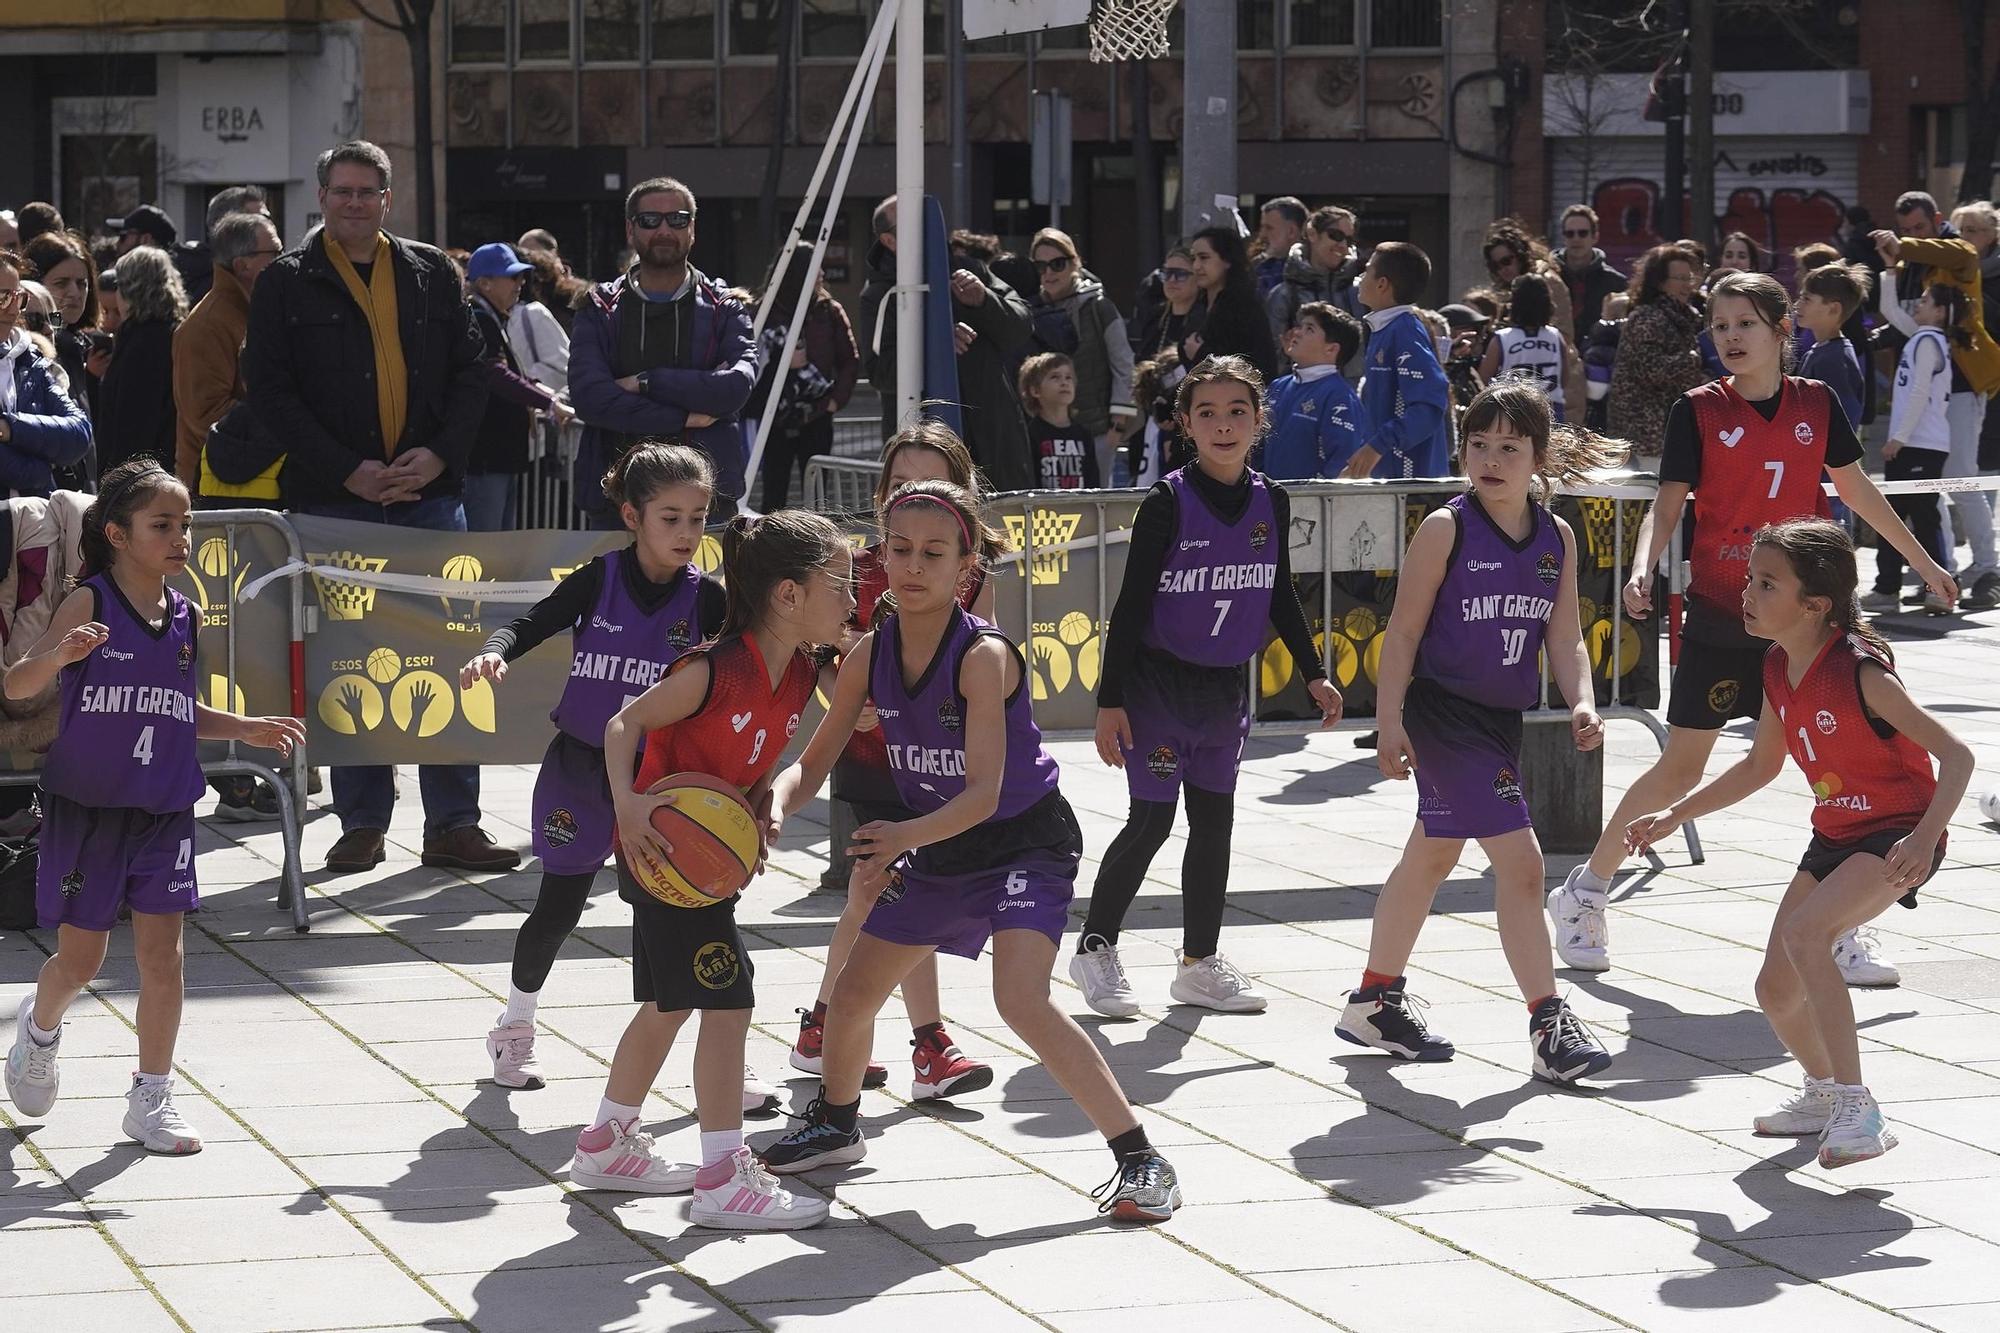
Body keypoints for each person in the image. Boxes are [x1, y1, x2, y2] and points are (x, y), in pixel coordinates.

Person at [758, 479, 1184, 1223]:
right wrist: (772, 798)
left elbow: (984, 793)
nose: (913, 565)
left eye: (933, 552)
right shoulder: (867, 653)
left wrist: (900, 837)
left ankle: (1140, 1157)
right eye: (899, 549)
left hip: (1024, 841)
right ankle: (836, 1120)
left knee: (1019, 998)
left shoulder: (982, 655)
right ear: (878, 558)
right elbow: (813, 760)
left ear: (966, 569)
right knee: (853, 995)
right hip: (941, 845)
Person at [1547, 271, 1958, 984]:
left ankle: (1839, 922)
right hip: (1723, 609)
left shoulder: (1816, 403)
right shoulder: (1698, 410)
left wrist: (1923, 561)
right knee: (1683, 766)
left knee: (1828, 763)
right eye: (1719, 325)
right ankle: (1586, 886)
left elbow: (1857, 490)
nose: (1730, 336)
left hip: (1805, 620)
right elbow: (1667, 505)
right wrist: (1645, 567)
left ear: (1780, 331)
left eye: (1745, 323)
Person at [1627, 519, 1971, 1167]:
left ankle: (1857, 1106)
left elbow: (1956, 756)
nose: (1747, 594)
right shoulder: (1779, 666)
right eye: (1750, 579)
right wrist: (1676, 813)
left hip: (1898, 833)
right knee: (1775, 989)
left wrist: (1925, 840)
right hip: (1836, 835)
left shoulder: (1862, 672)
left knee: (1808, 935)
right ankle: (1820, 1093)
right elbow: (1760, 766)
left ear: (1815, 605)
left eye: (1766, 583)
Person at [1, 460, 305, 1153]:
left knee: (163, 958)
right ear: (116, 533)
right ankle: (40, 1030)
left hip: (164, 804)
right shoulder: (90, 603)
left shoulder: (188, 615)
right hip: (90, 805)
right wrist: (60, 656)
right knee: (79, 961)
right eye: (162, 525)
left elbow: (174, 710)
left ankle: (152, 1096)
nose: (180, 537)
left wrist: (244, 727)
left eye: (186, 524)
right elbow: (19, 684)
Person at [568, 511, 850, 1230]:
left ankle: (606, 1141)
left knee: (671, 1001)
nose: (852, 598)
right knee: (729, 1001)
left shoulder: (796, 673)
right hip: (665, 853)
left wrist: (760, 803)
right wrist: (628, 804)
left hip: (687, 861)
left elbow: (750, 761)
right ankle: (723, 1176)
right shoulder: (713, 668)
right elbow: (622, 723)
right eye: (839, 583)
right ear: (787, 594)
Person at [243, 139, 515, 875]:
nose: (355, 202)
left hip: (431, 497)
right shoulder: (285, 283)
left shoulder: (431, 272)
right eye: (342, 191)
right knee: (350, 658)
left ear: (388, 200)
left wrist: (437, 458)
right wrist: (347, 469)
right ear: (321, 198)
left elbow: (472, 375)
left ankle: (454, 822)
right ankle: (362, 821)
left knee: (452, 656)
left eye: (368, 191)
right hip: (336, 501)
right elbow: (269, 394)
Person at [1336, 380, 1618, 1084]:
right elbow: (1400, 632)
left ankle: (1373, 998)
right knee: (1523, 865)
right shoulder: (1446, 527)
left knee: (1431, 858)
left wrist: (1582, 699)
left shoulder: (1555, 535)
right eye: (1479, 444)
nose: (1491, 458)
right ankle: (1548, 1020)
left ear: (1539, 457)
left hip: (1499, 719)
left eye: (1509, 447)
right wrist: (1390, 719)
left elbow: (1566, 636)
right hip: (1442, 713)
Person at [1070, 355, 1341, 1016]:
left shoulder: (1269, 499)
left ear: (1258, 420)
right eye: (1209, 413)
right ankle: (1095, 948)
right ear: (1187, 423)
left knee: (1214, 822)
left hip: (1223, 688)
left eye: (1238, 411)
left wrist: (1314, 670)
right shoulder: (1167, 502)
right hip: (1157, 684)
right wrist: (1110, 701)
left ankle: (1198, 962)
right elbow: (1130, 606)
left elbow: (1279, 593)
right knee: (1152, 820)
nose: (1224, 424)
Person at [465, 443, 725, 1089]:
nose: (688, 532)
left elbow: (751, 663)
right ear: (633, 515)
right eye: (671, 517)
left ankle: (716, 1061)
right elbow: (528, 623)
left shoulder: (710, 601)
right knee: (559, 907)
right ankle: (514, 1028)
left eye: (698, 517)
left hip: (661, 777)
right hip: (581, 769)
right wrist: (493, 653)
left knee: (675, 915)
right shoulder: (597, 578)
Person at [792, 425, 995, 1100]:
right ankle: (929, 1042)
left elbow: (982, 653)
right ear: (880, 495)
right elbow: (820, 649)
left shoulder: (974, 567)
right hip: (869, 757)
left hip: (934, 762)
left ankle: (823, 1025)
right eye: (899, 483)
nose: (913, 494)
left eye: (930, 482)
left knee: (881, 895)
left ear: (961, 496)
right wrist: (845, 696)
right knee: (892, 891)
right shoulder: (854, 562)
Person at [569, 177, 758, 514]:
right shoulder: (597, 307)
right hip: (618, 499)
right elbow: (590, 398)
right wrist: (684, 415)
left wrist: (646, 383)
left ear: (693, 228)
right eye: (649, 221)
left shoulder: (726, 306)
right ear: (631, 230)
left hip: (705, 501)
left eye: (678, 219)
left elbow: (734, 387)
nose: (664, 230)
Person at [859, 196, 1037, 491]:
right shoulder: (879, 295)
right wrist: (936, 346)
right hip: (926, 448)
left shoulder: (970, 270)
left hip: (995, 438)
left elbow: (1022, 326)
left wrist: (984, 301)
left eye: (926, 221)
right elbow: (880, 373)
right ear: (889, 240)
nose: (926, 230)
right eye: (912, 224)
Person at [1873, 219, 2000, 607]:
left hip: (1965, 392)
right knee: (1932, 488)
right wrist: (1892, 268)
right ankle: (1942, 570)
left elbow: (1959, 251)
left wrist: (1902, 245)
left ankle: (1986, 566)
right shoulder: (1928, 283)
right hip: (1937, 410)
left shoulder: (1960, 258)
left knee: (1961, 477)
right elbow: (1893, 312)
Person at [1864, 284, 1965, 616]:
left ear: (1939, 311)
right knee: (1897, 516)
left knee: (1922, 517)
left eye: (1925, 301)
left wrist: (1899, 438)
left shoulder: (1926, 341)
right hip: (1918, 443)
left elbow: (1920, 391)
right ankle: (1889, 587)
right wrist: (1890, 272)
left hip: (1920, 444)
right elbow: (1892, 310)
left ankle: (1936, 591)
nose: (1918, 304)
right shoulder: (1923, 337)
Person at [463, 242, 572, 531]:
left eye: (522, 276)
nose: (520, 284)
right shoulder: (479, 317)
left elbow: (505, 373)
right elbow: (494, 374)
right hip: (486, 459)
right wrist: (548, 403)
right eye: (512, 277)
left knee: (500, 547)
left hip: (499, 459)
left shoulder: (492, 317)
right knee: (485, 551)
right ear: (484, 283)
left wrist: (540, 393)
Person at [175, 210, 283, 496]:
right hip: (215, 490)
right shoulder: (206, 324)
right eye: (275, 252)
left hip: (254, 482)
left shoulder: (258, 311)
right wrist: (286, 419)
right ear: (243, 265)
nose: (284, 260)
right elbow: (204, 416)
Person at [749, 247, 858, 509]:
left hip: (818, 413)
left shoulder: (828, 311)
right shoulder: (764, 312)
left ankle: (818, 545)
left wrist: (835, 401)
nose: (822, 273)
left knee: (820, 493)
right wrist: (781, 364)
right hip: (776, 415)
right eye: (815, 267)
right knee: (774, 492)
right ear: (798, 273)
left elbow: (850, 360)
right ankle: (771, 545)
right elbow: (751, 362)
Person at [1025, 228, 1135, 487]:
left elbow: (1124, 363)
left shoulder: (1098, 306)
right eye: (1040, 266)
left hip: (1096, 427)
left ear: (1075, 263)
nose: (1049, 273)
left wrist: (1117, 427)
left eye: (1057, 264)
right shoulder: (1030, 308)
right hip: (1046, 430)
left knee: (1094, 506)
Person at [1348, 241, 1451, 479]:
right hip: (1390, 481)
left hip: (1411, 484)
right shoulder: (1386, 329)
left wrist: (1378, 445)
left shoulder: (1404, 330)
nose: (1360, 278)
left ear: (1382, 284)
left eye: (1367, 271)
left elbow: (1429, 404)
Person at [0, 250, 93, 496]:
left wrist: (10, 428)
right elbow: (24, 471)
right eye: (2, 297)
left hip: (37, 522)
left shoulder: (31, 363)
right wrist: (43, 469)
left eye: (17, 298)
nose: (12, 310)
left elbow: (80, 433)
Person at [1606, 244, 1707, 458]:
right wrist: (1693, 360)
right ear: (1659, 282)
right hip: (1644, 437)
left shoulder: (1685, 318)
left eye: (1689, 278)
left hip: (1668, 432)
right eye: (1679, 279)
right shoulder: (1646, 318)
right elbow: (1652, 371)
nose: (1687, 285)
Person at [96, 246, 186, 476]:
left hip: (139, 483)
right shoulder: (176, 333)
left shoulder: (142, 345)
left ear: (129, 289)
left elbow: (132, 425)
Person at [1262, 302, 1364, 479]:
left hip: (1311, 503)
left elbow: (1341, 465)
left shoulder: (1340, 397)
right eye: (1300, 326)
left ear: (1331, 349)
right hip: (1270, 500)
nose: (1297, 332)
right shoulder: (1278, 386)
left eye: (1309, 329)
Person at [22, 231, 107, 429]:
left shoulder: (77, 343)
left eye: (81, 284)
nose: (75, 293)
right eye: (61, 283)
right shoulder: (24, 348)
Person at [1267, 205, 1367, 368]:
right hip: (1303, 389)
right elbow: (1274, 356)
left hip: (1352, 390)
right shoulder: (1285, 295)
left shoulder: (1360, 291)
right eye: (1335, 235)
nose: (1342, 245)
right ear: (1312, 234)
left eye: (1349, 240)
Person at [1181, 226, 1280, 384]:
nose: (1196, 266)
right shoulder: (1199, 306)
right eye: (1194, 259)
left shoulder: (1243, 308)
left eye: (1204, 257)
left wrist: (1201, 354)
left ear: (1227, 260)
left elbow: (1253, 366)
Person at [1479, 273, 1575, 420]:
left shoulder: (1502, 338)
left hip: (1513, 410)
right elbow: (1565, 378)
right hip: (1551, 411)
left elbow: (1482, 379)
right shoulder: (1556, 336)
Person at [1019, 351, 1097, 489]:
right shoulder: (1030, 434)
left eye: (1068, 377)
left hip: (1080, 508)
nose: (1064, 382)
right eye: (1055, 377)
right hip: (1043, 509)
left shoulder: (1084, 434)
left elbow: (1093, 481)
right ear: (1035, 391)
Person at [1554, 205, 1627, 344]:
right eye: (1570, 234)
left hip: (1599, 359)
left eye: (1582, 233)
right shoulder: (1549, 279)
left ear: (1595, 236)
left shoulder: (1615, 283)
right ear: (1563, 238)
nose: (1576, 239)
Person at [1254, 197, 1308, 297]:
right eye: (1262, 227)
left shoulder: (1314, 268)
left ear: (1291, 231)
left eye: (1269, 228)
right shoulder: (1258, 268)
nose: (1262, 235)